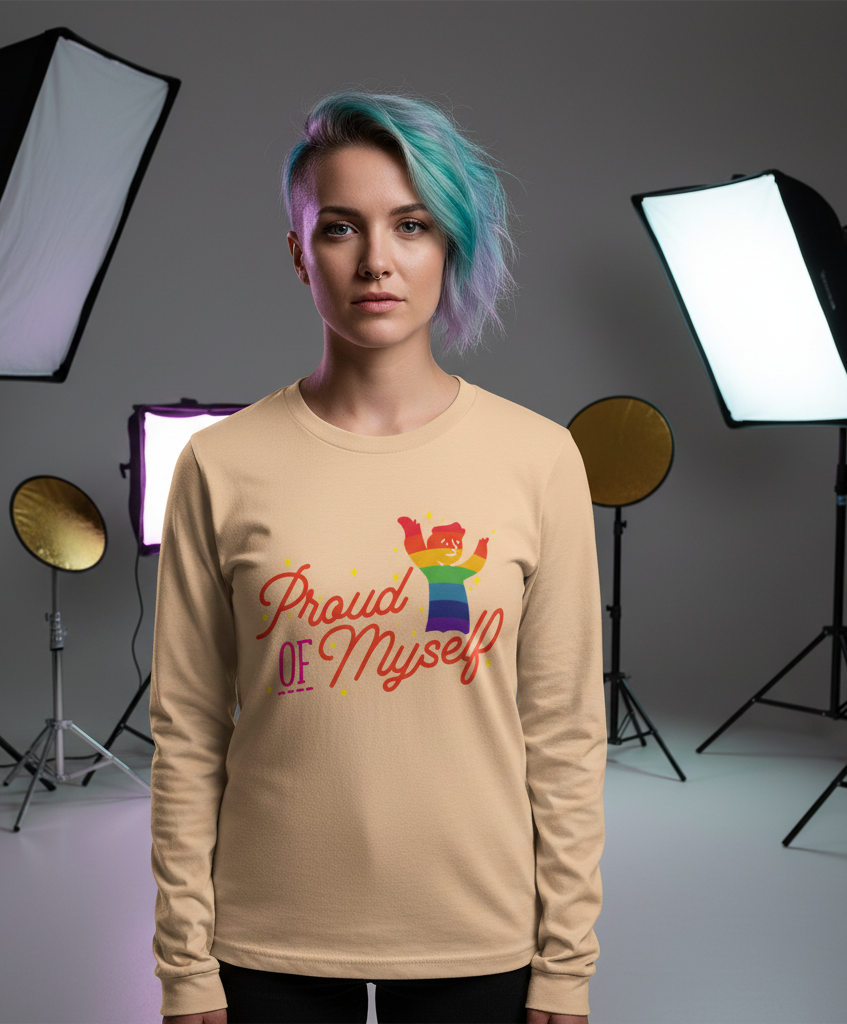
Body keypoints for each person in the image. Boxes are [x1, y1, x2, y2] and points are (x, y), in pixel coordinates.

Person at [150, 91, 606, 1024]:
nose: (377, 261)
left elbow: (563, 735)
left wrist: (567, 958)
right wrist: (184, 960)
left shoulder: (539, 458)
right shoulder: (221, 464)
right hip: (266, 936)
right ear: (298, 254)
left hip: (477, 933)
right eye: (341, 229)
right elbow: (187, 734)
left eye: (412, 225)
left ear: (450, 247)